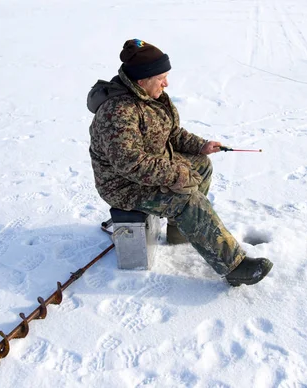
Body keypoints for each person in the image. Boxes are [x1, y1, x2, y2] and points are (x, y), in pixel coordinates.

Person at [87, 39, 273, 286]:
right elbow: (131, 164)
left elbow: (171, 134)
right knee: (185, 198)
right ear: (141, 80)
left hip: (149, 168)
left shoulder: (152, 96)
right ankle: (234, 266)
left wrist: (201, 146)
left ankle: (179, 231)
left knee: (201, 165)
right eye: (161, 77)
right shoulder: (118, 113)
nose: (166, 83)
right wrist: (177, 175)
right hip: (124, 185)